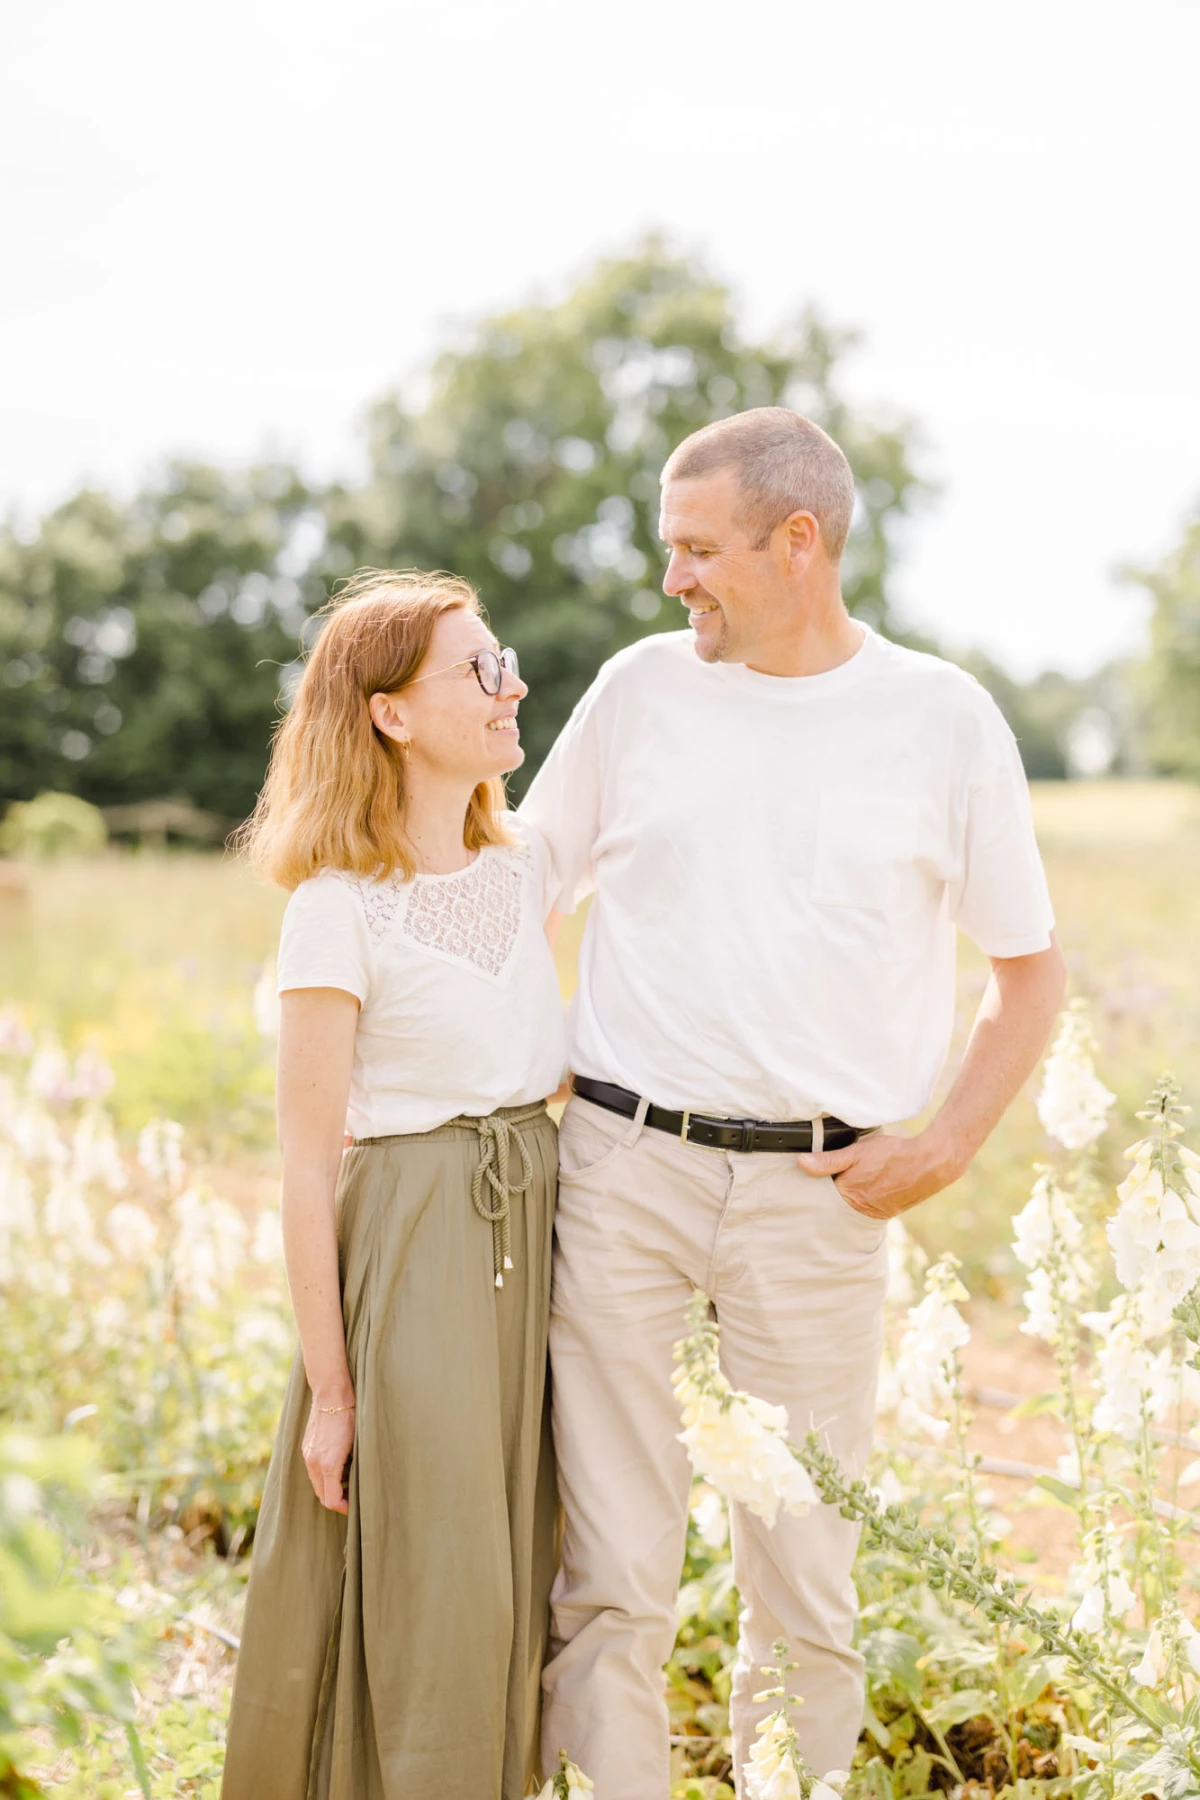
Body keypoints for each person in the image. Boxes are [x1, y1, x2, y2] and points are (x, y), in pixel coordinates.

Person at [521, 407, 1067, 1796]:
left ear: (798, 542)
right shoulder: (638, 691)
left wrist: (944, 1146)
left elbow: (1028, 972)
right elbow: (512, 893)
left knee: (806, 1593)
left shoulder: (943, 719)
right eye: (671, 551)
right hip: (623, 1169)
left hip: (821, 1203)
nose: (673, 580)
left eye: (697, 550)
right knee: (610, 1582)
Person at [221, 569, 565, 1800]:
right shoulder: (335, 909)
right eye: (478, 668)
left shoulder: (528, 869)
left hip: (538, 1222)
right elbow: (309, 1164)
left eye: (504, 655)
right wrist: (331, 1390)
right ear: (391, 714)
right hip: (415, 1245)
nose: (511, 683)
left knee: (526, 1556)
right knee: (440, 1572)